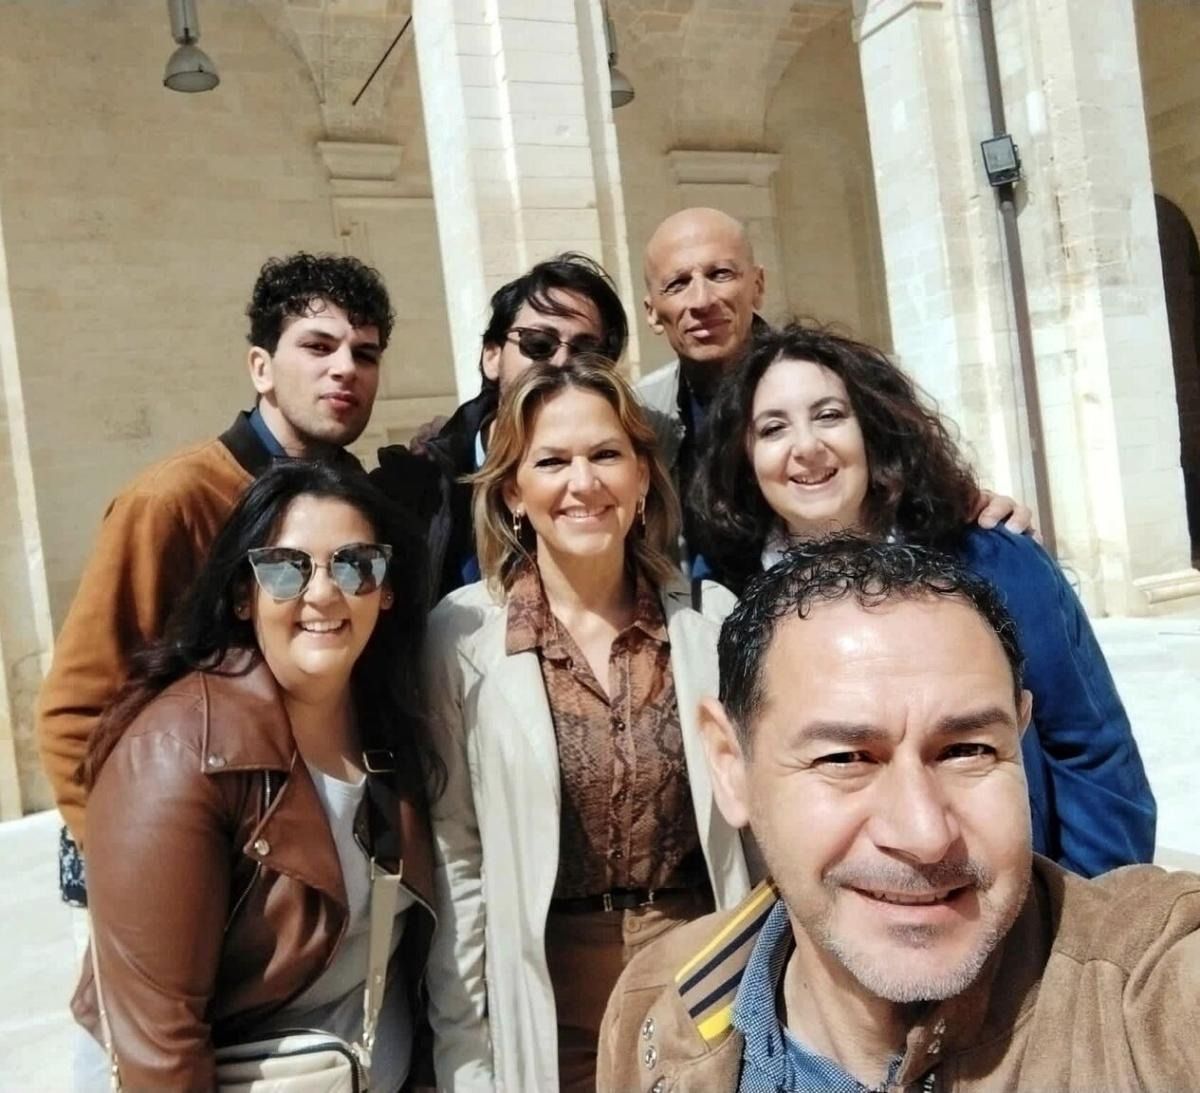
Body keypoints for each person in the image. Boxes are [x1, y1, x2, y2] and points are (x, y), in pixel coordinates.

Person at [599, 538, 1199, 1093]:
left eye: (968, 751)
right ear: (732, 767)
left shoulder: (1144, 994)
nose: (924, 833)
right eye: (846, 758)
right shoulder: (662, 1005)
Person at [690, 323, 1155, 877]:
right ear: (746, 456)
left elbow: (1093, 754)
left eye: (830, 416)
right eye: (773, 428)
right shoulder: (731, 600)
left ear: (873, 428)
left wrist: (1079, 928)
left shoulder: (995, 563)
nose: (806, 447)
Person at [423, 358, 755, 1092]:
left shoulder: (710, 621)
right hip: (548, 989)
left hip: (698, 975)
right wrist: (467, 1055)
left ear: (642, 476)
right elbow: (459, 861)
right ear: (514, 490)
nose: (583, 482)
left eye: (606, 454)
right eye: (552, 461)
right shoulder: (463, 637)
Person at [71, 461, 439, 1091]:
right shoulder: (176, 755)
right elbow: (159, 1043)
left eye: (354, 563)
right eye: (286, 567)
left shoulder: (396, 716)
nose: (322, 593)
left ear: (386, 588)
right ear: (243, 595)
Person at [36, 252, 391, 898]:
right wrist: (145, 871)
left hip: (320, 873)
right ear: (261, 367)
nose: (345, 368)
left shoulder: (360, 504)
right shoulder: (171, 502)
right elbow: (74, 714)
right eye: (318, 346)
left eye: (364, 354)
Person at [636, 208, 1031, 562]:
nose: (702, 299)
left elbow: (927, 492)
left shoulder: (850, 380)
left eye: (720, 274)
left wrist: (987, 524)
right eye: (678, 284)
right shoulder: (640, 418)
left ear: (757, 285)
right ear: (653, 312)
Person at [372, 251, 628, 601]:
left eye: (586, 351)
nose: (561, 363)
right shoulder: (414, 488)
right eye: (538, 344)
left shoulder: (622, 479)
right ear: (491, 356)